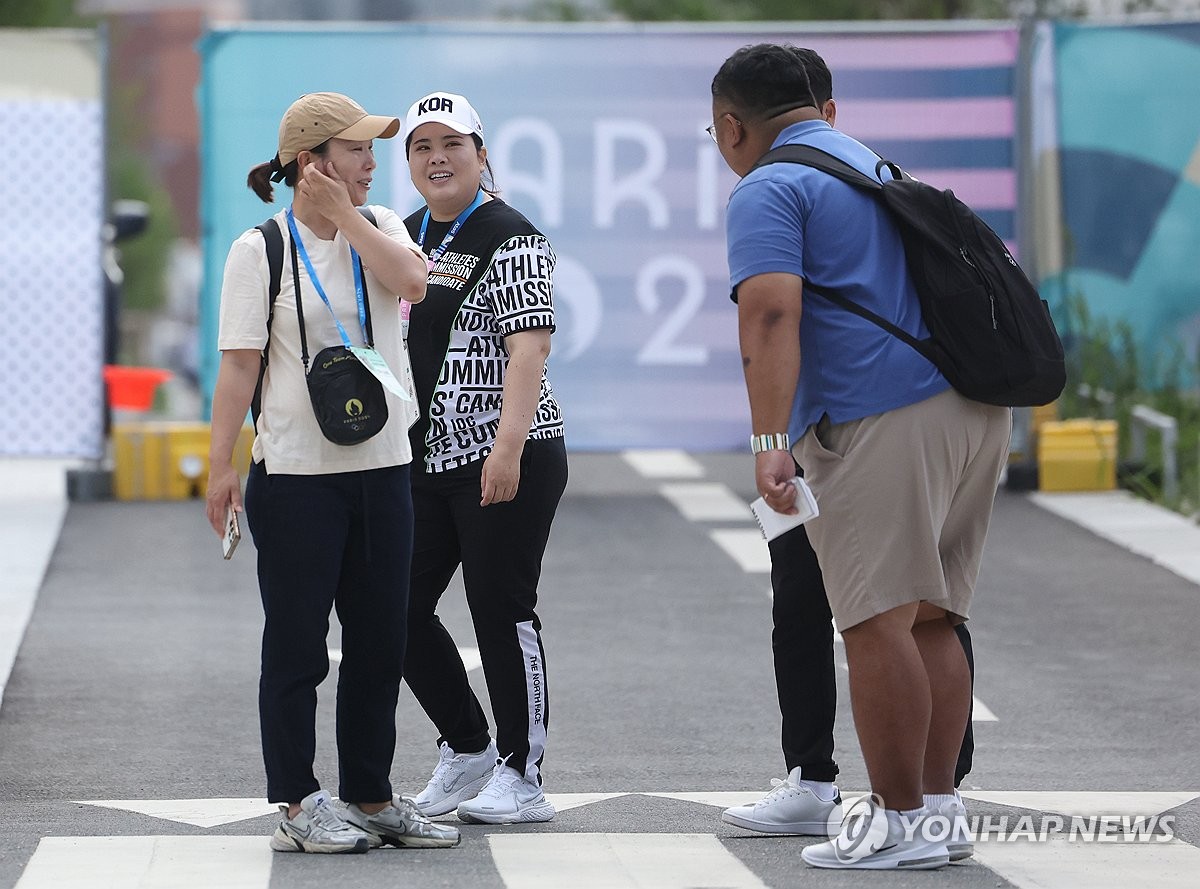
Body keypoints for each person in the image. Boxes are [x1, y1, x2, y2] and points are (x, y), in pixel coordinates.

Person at [711, 45, 1010, 869]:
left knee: (873, 622)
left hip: (882, 416)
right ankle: (940, 815)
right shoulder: (871, 162)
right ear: (822, 108)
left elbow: (770, 315)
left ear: (732, 125)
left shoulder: (768, 185)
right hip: (970, 408)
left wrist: (770, 443)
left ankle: (901, 821)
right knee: (934, 615)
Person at [205, 91, 460, 854]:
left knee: (381, 638)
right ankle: (295, 802)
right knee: (297, 646)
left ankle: (371, 795)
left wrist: (346, 214)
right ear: (314, 161)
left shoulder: (379, 226)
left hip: (383, 469)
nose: (374, 164)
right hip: (294, 479)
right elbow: (238, 367)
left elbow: (414, 285)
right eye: (359, 152)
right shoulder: (261, 249)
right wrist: (220, 466)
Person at [398, 92, 567, 825]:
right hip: (423, 461)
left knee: (502, 611)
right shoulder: (403, 237)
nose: (437, 157)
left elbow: (528, 349)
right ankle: (467, 746)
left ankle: (522, 772)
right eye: (421, 146)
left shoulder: (510, 235)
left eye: (452, 144)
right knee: (391, 605)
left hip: (507, 453)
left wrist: (507, 450)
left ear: (481, 152)